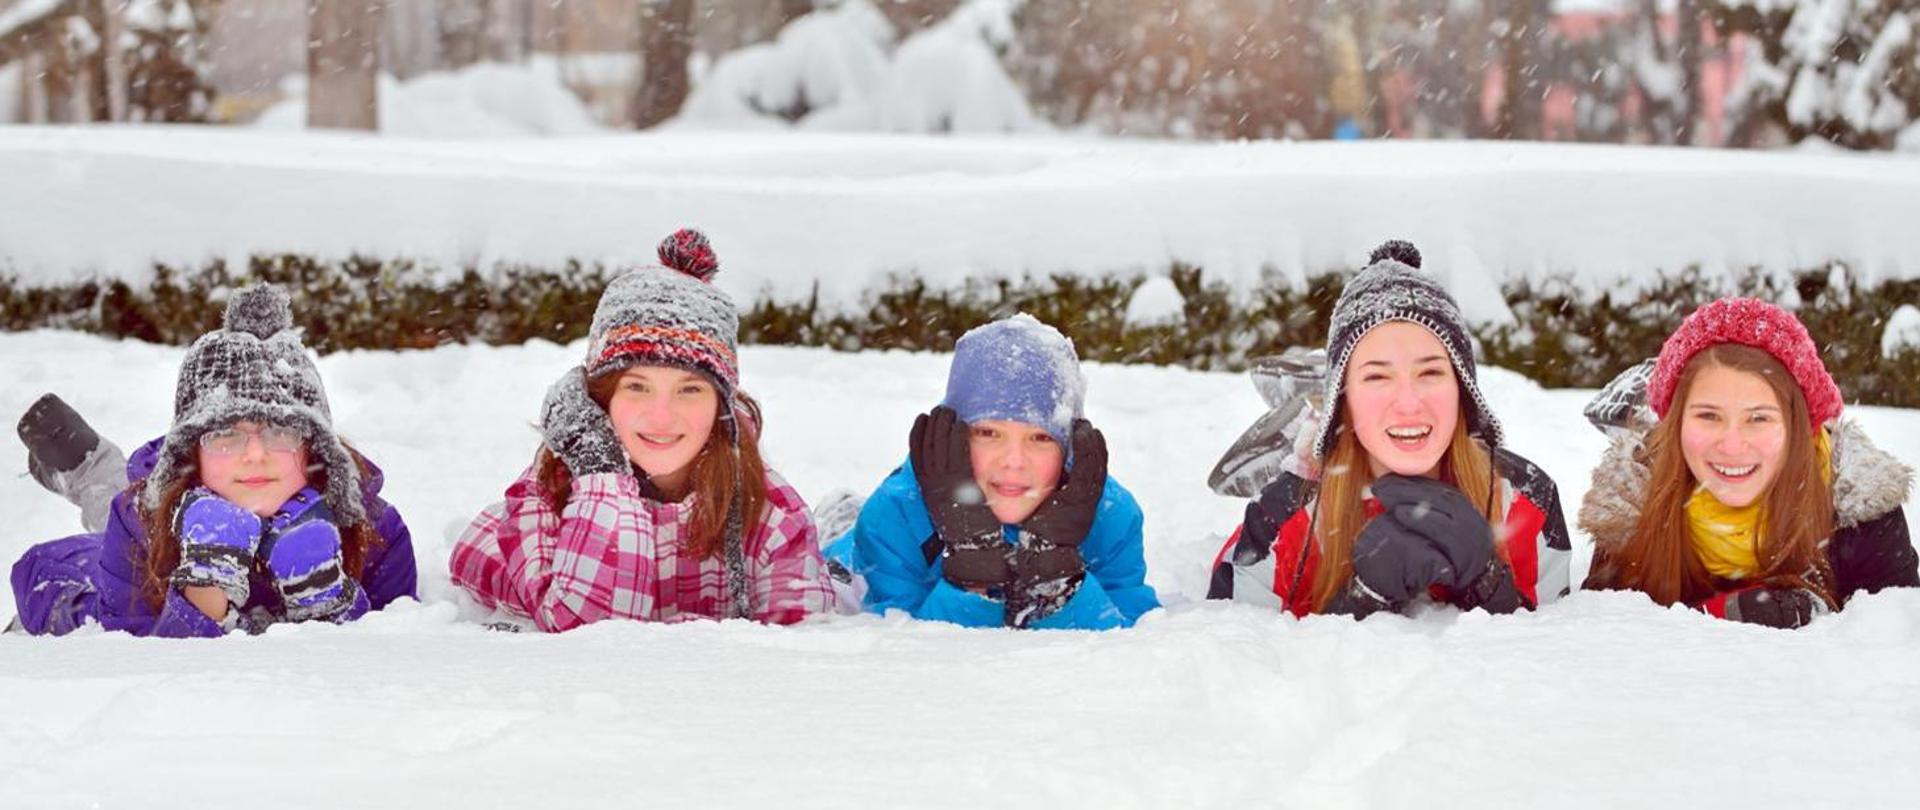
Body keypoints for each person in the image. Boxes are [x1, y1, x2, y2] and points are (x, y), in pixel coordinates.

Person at [449, 228, 834, 631]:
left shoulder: (769, 507)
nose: (662, 416)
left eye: (690, 389)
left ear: (721, 408)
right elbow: (592, 632)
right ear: (599, 400)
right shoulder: (547, 497)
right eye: (637, 386)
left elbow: (802, 642)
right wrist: (603, 476)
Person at [9, 285, 418, 637]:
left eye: (281, 432)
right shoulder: (137, 522)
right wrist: (205, 586)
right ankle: (93, 473)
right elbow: (136, 663)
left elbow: (384, 667)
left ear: (315, 449)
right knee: (97, 555)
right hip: (157, 518)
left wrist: (326, 596)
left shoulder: (375, 530)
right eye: (225, 435)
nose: (255, 453)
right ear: (193, 454)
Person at [1208, 241, 1571, 617]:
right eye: (1377, 376)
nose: (1409, 403)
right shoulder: (1283, 517)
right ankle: (1303, 433)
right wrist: (1360, 601)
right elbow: (1234, 652)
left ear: (1462, 391)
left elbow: (1554, 657)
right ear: (1343, 400)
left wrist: (1488, 584)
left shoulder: (1528, 502)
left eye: (1430, 372)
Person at [1579, 297, 1916, 628]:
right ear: (1676, 423)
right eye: (1709, 416)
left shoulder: (1858, 515)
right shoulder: (1632, 505)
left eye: (1758, 418)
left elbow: (1890, 657)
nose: (1732, 445)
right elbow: (1609, 650)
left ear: (1797, 425)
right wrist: (1720, 614)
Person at [823, 314, 1160, 629]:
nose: (1014, 461)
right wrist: (972, 578)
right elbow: (900, 646)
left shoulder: (1109, 514)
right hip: (857, 555)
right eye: (988, 434)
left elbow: (1128, 638)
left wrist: (1056, 583)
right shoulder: (897, 513)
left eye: (1040, 438)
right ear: (956, 437)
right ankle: (841, 516)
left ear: (1070, 446)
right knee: (837, 577)